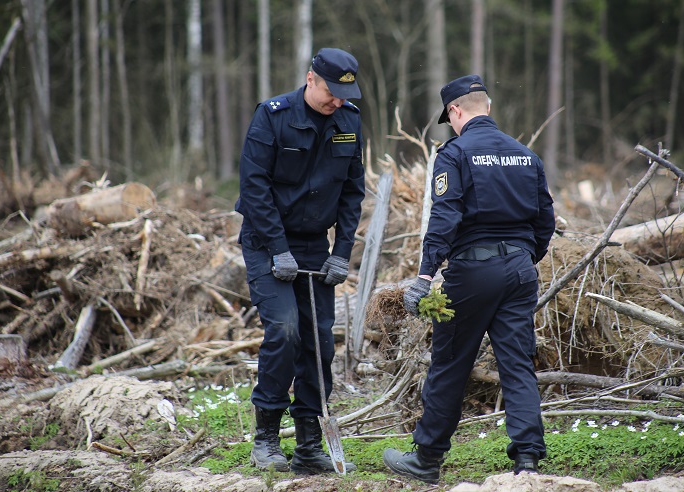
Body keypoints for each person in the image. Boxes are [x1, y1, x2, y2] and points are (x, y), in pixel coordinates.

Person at [383, 74, 555, 484]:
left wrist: (424, 276)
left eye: (451, 119)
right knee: (517, 364)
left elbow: (445, 217)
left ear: (455, 111)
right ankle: (527, 460)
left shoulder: (455, 154)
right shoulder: (525, 155)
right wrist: (524, 257)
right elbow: (545, 219)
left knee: (450, 363)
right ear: (488, 107)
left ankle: (426, 459)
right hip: (520, 271)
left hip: (473, 272)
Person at [235, 47, 365, 475]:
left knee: (319, 342)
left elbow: (352, 193)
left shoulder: (349, 122)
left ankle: (309, 444)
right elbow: (254, 187)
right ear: (311, 79)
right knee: (285, 330)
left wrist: (342, 253)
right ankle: (266, 439)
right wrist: (277, 248)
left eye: (345, 95)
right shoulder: (272, 116)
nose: (338, 102)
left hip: (314, 246)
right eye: (332, 92)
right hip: (266, 241)